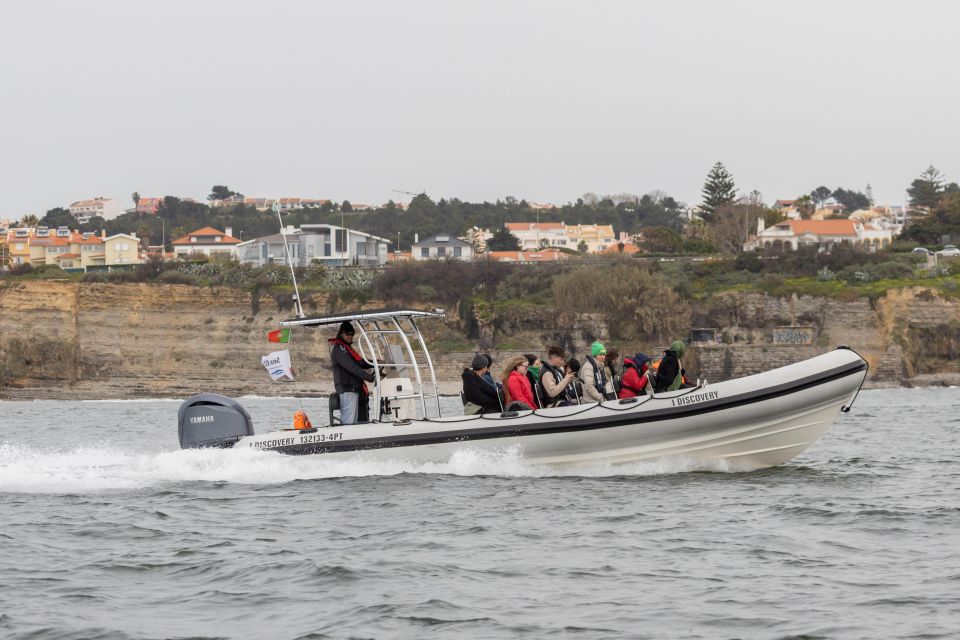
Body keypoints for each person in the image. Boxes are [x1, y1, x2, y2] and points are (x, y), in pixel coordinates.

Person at [328, 321, 375, 424]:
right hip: (348, 390)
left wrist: (375, 363)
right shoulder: (339, 349)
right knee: (349, 422)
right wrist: (370, 378)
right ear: (341, 334)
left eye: (352, 334)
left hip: (354, 391)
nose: (350, 336)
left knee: (355, 423)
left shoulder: (347, 348)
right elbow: (352, 367)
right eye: (347, 334)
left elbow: (361, 362)